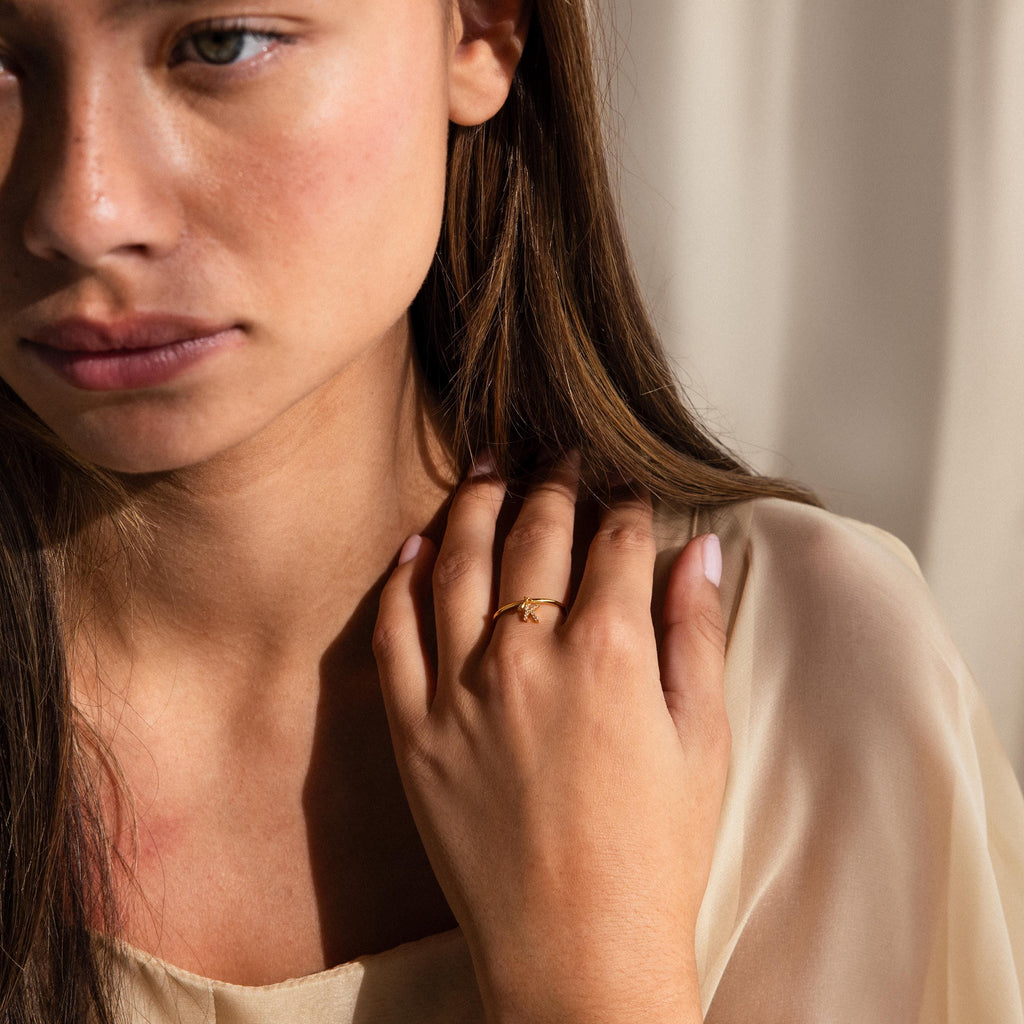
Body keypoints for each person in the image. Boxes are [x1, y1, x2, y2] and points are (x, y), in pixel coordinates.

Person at [0, 1, 1021, 1022]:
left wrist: (590, 966)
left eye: (221, 44)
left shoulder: (801, 671)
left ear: (479, 30)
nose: (79, 211)